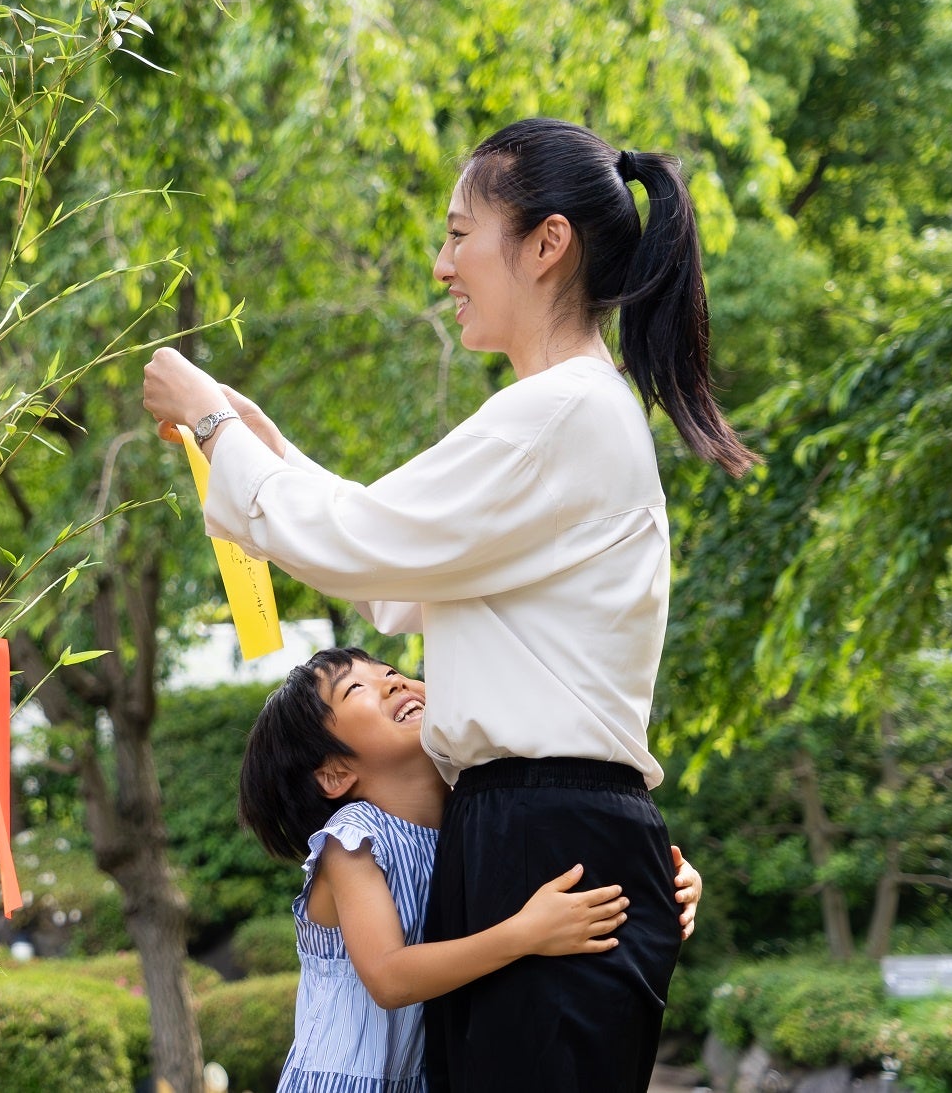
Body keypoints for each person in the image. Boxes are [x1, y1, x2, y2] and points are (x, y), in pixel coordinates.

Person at [143, 118, 756, 1090]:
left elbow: (368, 544)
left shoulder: (555, 412)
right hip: (524, 825)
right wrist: (251, 439)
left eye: (458, 232)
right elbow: (396, 567)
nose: (442, 264)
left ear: (545, 242)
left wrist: (216, 425)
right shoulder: (565, 412)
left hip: (543, 829)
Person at [239, 646, 702, 1093]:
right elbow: (389, 977)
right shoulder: (353, 841)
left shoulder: (467, 823)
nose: (393, 681)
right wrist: (526, 934)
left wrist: (667, 886)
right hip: (341, 1081)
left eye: (389, 670)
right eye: (355, 687)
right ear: (335, 773)